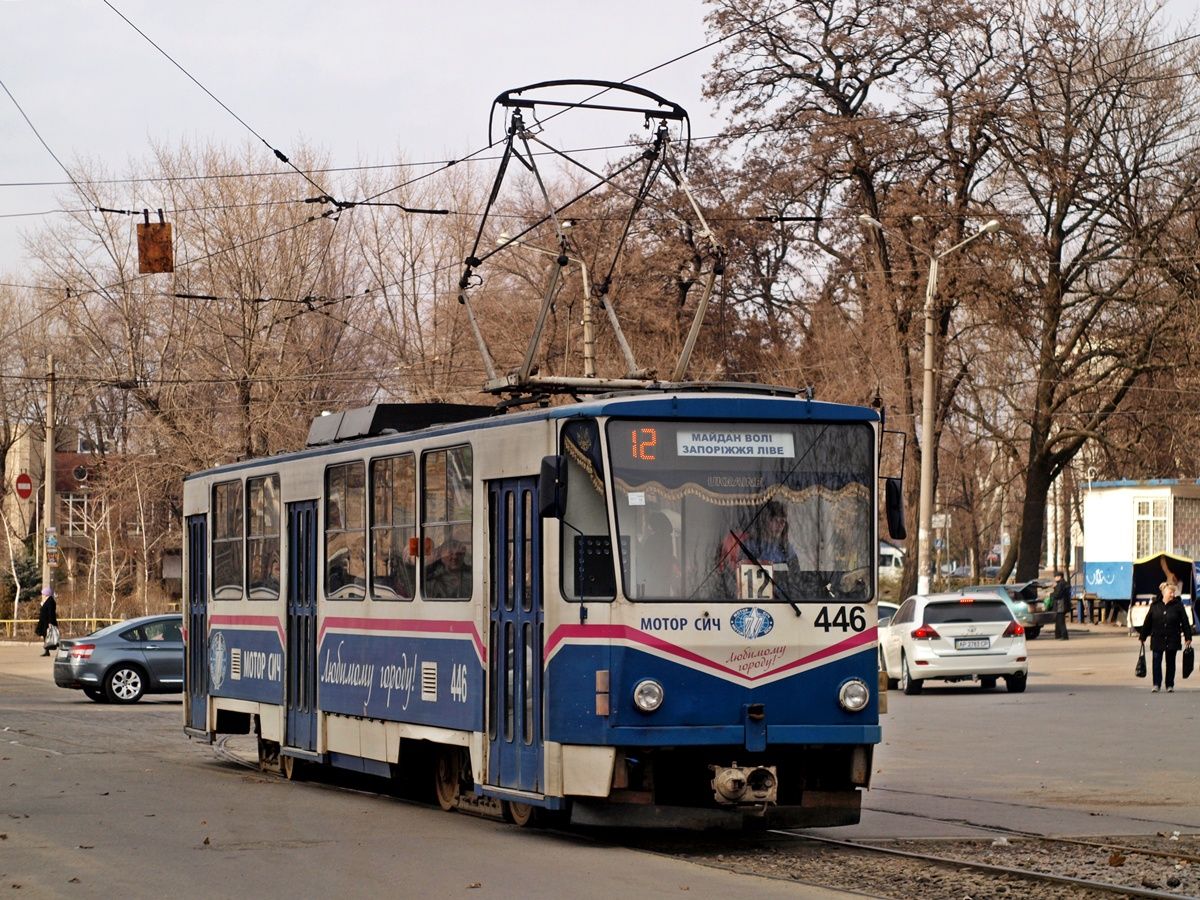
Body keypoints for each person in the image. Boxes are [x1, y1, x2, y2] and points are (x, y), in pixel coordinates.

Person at [1138, 581, 1192, 692]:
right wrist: (1142, 636)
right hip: (1157, 638)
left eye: (1173, 592)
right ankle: (1156, 684)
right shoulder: (1155, 605)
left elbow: (1185, 622)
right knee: (1156, 661)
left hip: (1173, 638)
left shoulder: (1178, 605)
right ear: (1164, 592)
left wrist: (1188, 637)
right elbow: (1148, 622)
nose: (1173, 594)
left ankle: (1169, 685)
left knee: (1171, 663)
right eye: (1170, 592)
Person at [35, 585, 59, 657]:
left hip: (48, 622)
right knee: (46, 636)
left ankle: (48, 650)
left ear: (47, 594)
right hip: (44, 622)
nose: (42, 595)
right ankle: (47, 651)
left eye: (43, 593)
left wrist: (50, 623)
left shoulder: (50, 601)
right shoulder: (47, 601)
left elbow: (51, 613)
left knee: (49, 636)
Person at [1050, 571, 1071, 640]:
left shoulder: (1060, 584)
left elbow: (1057, 595)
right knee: (1058, 621)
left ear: (1059, 577)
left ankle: (1064, 636)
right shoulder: (1065, 583)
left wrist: (1051, 594)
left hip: (1060, 605)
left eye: (1055, 577)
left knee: (1061, 621)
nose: (1055, 578)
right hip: (1064, 604)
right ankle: (1058, 635)